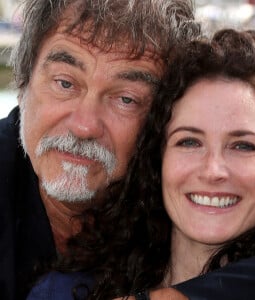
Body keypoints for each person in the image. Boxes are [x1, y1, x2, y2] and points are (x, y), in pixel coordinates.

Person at [27, 29, 255, 300]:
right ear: (158, 158)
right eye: (189, 142)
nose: (212, 170)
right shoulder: (64, 292)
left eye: (243, 146)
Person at [0, 1, 201, 299]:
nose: (84, 126)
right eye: (65, 83)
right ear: (22, 82)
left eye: (126, 100)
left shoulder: (196, 189)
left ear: (163, 118)